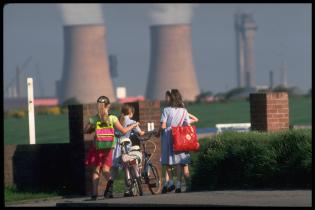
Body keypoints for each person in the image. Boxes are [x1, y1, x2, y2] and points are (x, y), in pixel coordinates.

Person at [84, 96, 139, 200]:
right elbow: (123, 131)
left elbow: (85, 130)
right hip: (109, 147)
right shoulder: (112, 118)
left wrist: (92, 128)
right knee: (105, 169)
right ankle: (110, 185)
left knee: (96, 170)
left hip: (97, 146)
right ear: (108, 105)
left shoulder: (95, 118)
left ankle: (94, 194)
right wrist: (133, 125)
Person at [157, 89, 191, 193]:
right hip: (179, 137)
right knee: (178, 162)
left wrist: (158, 132)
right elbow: (187, 125)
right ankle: (179, 185)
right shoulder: (184, 111)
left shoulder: (166, 110)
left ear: (171, 98)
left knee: (167, 161)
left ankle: (171, 182)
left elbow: (163, 126)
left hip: (167, 136)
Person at [109, 104, 145, 197]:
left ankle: (109, 191)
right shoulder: (132, 122)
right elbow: (140, 133)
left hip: (116, 146)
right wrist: (144, 131)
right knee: (129, 166)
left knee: (116, 169)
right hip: (125, 146)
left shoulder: (118, 119)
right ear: (131, 113)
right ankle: (128, 189)